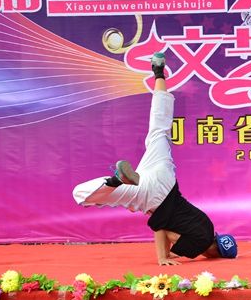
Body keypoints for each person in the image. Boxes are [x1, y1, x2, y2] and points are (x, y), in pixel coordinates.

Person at [72, 52, 237, 265]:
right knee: (81, 195)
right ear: (215, 252)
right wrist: (163, 257)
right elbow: (163, 230)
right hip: (151, 196)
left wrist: (170, 249)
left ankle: (158, 72)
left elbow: (172, 226)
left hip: (165, 177)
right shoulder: (201, 245)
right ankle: (115, 180)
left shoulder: (208, 226)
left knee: (159, 128)